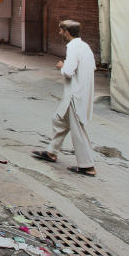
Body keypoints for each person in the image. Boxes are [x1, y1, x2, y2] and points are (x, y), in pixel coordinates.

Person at [32, 20, 98, 176]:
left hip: (76, 95)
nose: (60, 33)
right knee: (58, 120)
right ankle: (51, 152)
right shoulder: (85, 46)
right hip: (79, 92)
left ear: (67, 32)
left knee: (78, 130)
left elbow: (68, 71)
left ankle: (87, 166)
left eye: (61, 31)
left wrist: (62, 66)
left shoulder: (73, 48)